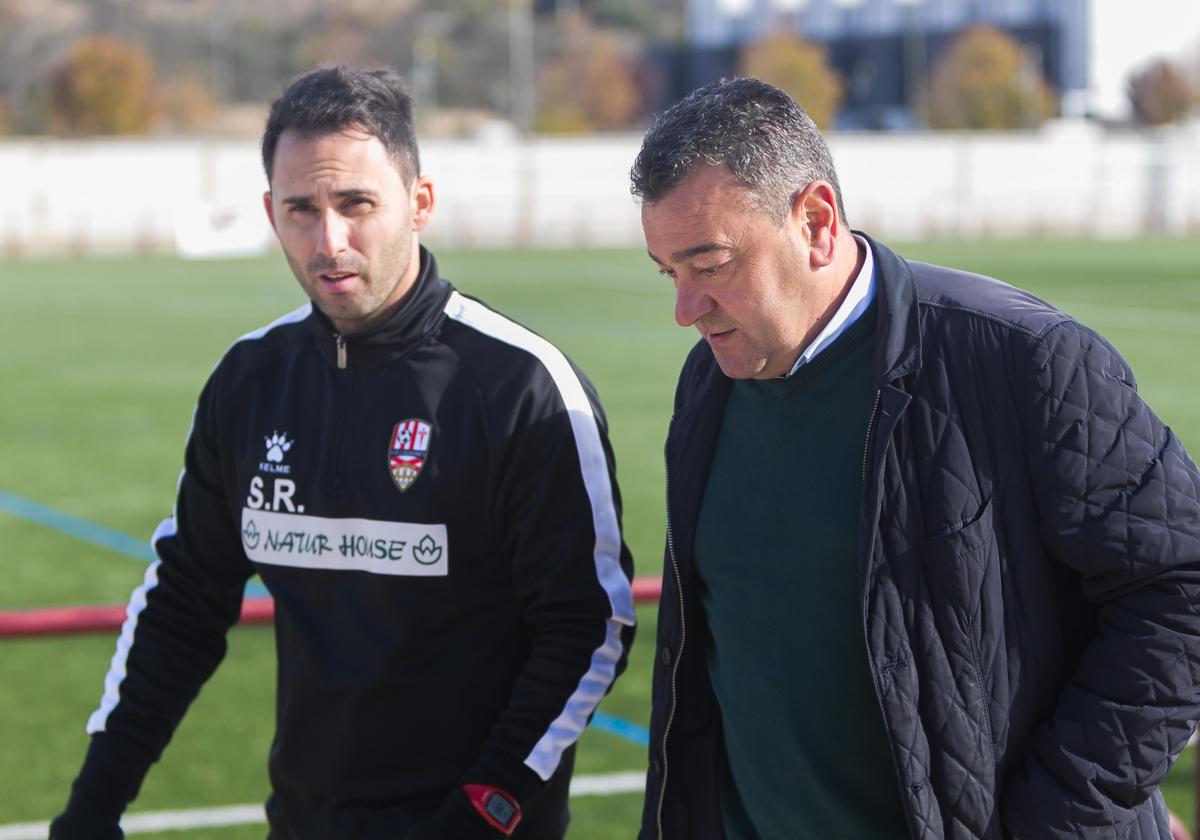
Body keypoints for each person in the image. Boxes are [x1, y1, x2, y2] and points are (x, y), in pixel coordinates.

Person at [50, 65, 636, 840]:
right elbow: (186, 599)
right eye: (302, 210)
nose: (329, 241)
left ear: (419, 203)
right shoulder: (250, 380)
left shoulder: (521, 386)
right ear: (270, 212)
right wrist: (94, 803)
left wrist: (485, 806)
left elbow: (590, 624)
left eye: (357, 204)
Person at [631, 76, 1200, 840]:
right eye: (669, 274)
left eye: (711, 265)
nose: (685, 311)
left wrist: (1055, 819)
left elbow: (1181, 589)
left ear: (816, 221)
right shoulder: (711, 377)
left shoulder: (1020, 358)